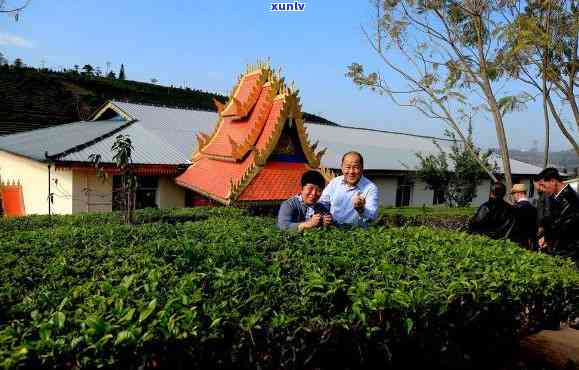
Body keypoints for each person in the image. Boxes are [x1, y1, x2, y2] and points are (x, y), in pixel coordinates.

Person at [319, 151, 379, 227]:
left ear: (362, 168)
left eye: (356, 167)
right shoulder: (335, 182)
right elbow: (323, 203)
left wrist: (361, 209)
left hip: (356, 234)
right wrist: (323, 215)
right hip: (332, 230)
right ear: (342, 167)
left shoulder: (371, 188)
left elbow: (372, 216)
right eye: (348, 167)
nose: (351, 172)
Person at [536, 167, 579, 264]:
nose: (543, 189)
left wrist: (546, 236)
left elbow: (561, 226)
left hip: (567, 253)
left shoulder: (569, 199)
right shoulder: (558, 197)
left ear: (553, 181)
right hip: (560, 249)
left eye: (543, 185)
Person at [510, 183, 537, 249]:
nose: (513, 196)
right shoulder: (534, 208)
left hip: (517, 241)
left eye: (513, 194)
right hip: (530, 241)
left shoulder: (516, 208)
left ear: (518, 193)